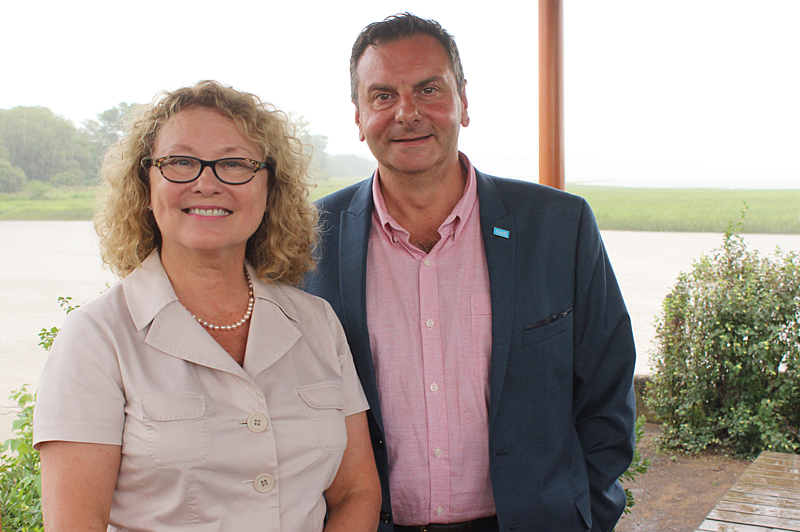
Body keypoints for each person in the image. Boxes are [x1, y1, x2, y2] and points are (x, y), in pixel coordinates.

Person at [303, 13, 636, 532]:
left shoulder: (560, 226)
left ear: (464, 99)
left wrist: (585, 514)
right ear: (358, 115)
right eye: (383, 95)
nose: (406, 113)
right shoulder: (308, 239)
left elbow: (607, 393)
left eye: (428, 89)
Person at [33, 81, 381, 532]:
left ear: (270, 188)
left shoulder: (317, 323)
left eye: (234, 163)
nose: (206, 182)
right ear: (146, 183)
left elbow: (356, 491)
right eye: (180, 162)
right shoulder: (96, 336)